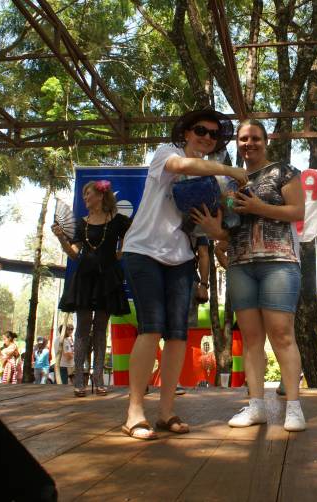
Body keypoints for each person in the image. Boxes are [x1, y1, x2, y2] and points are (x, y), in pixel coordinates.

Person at [120, 108, 247, 440]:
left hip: (181, 258)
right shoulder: (168, 153)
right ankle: (134, 412)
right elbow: (182, 167)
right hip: (143, 251)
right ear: (186, 132)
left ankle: (166, 412)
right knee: (151, 327)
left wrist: (222, 221)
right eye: (200, 130)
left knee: (178, 334)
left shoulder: (216, 180)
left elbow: (223, 223)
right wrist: (229, 169)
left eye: (213, 134)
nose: (206, 137)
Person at [193, 119, 307, 431]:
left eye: (255, 138)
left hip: (279, 262)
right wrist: (215, 231)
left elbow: (298, 211)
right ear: (237, 144)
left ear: (265, 141)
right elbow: (230, 230)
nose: (249, 144)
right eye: (243, 139)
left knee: (282, 334)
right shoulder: (229, 183)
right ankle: (256, 405)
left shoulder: (283, 171)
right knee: (251, 338)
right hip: (240, 263)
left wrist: (259, 206)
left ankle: (294, 407)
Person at [52, 180, 131, 397]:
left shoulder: (118, 221)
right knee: (83, 327)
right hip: (85, 278)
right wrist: (61, 238)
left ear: (101, 196)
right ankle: (79, 377)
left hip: (108, 279)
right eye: (84, 194)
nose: (85, 197)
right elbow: (74, 253)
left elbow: (134, 232)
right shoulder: (81, 223)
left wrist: (122, 251)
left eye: (88, 194)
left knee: (101, 328)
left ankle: (98, 377)